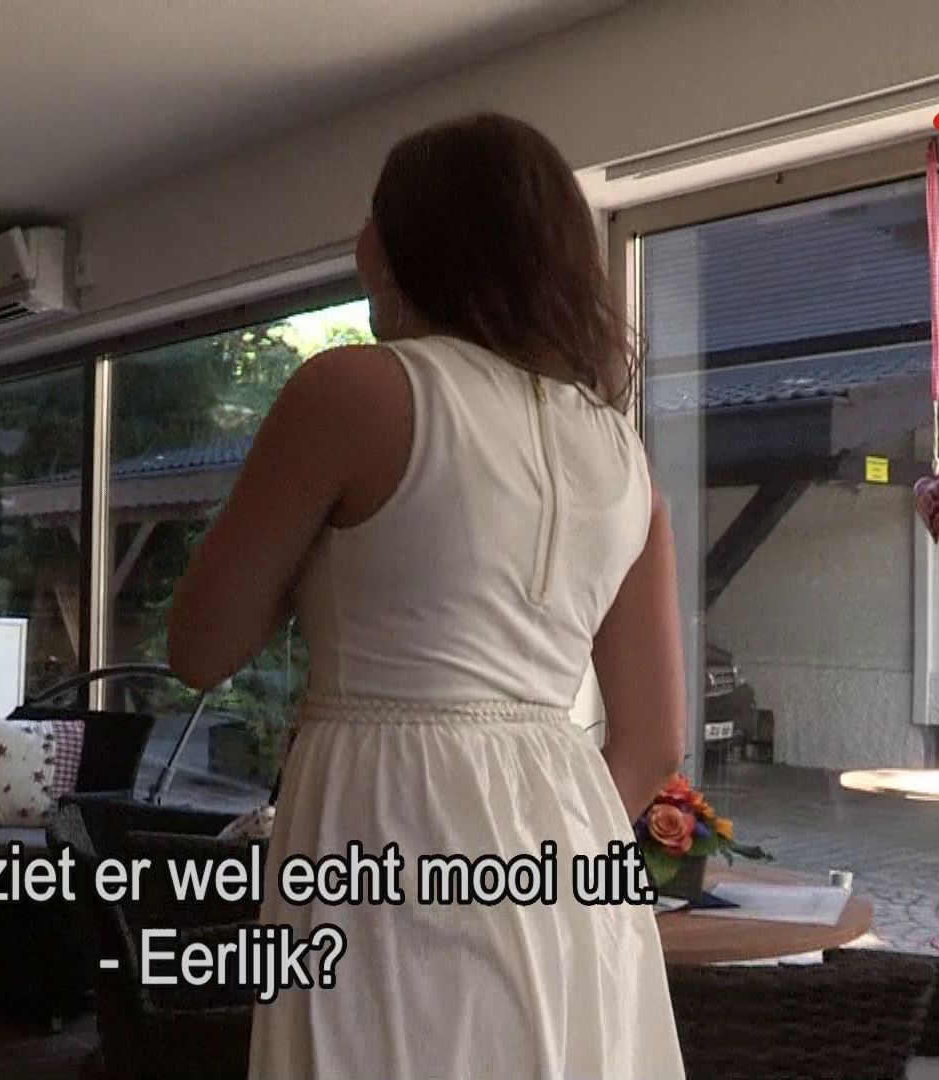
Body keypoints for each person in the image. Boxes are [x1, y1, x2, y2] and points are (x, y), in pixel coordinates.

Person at [167, 112, 687, 1079]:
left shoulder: (352, 393)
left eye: (375, 218)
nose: (360, 243)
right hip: (571, 858)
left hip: (381, 819)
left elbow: (199, 647)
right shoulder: (625, 459)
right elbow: (655, 741)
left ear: (411, 242)